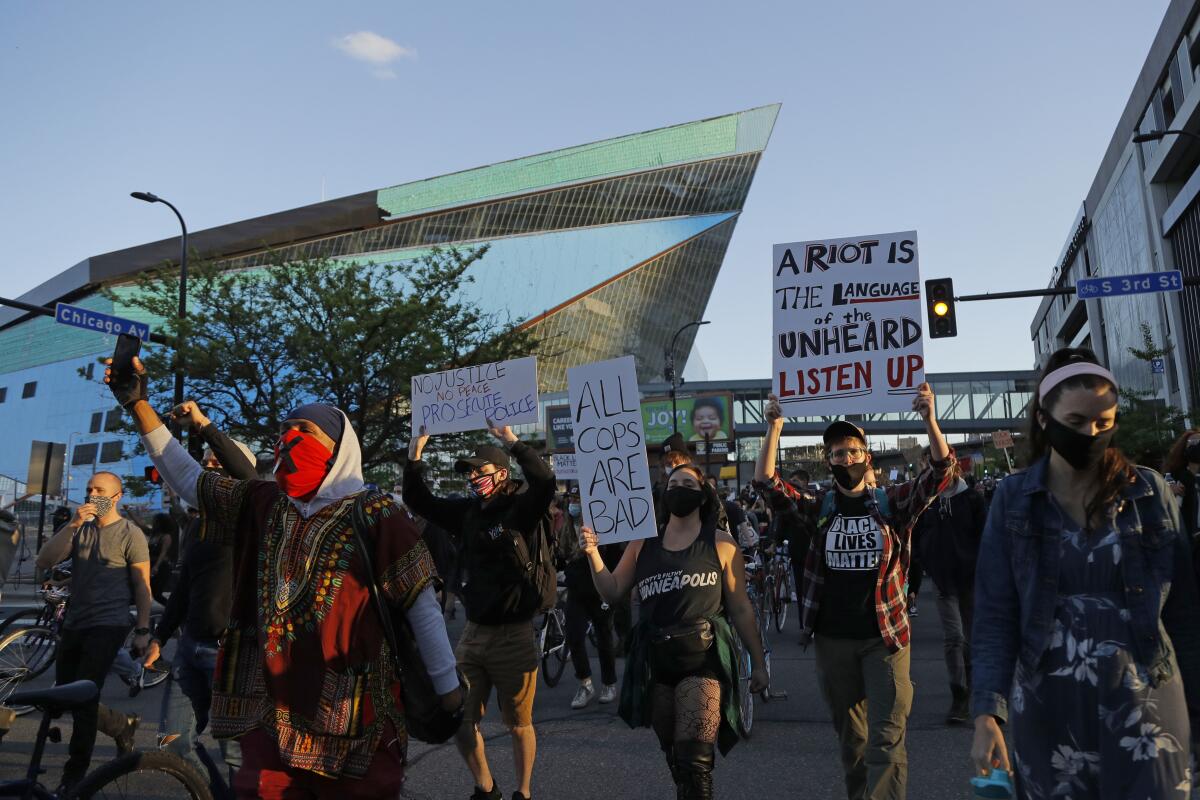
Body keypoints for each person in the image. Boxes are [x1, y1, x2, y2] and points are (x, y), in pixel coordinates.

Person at [107, 359, 462, 798]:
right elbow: (191, 479)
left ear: (336, 449)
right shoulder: (266, 502)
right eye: (285, 430)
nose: (288, 438)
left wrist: (448, 690)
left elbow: (420, 605)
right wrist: (139, 405)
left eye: (304, 431)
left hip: (356, 721)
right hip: (269, 715)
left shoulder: (378, 515)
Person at [971, 348, 1200, 797]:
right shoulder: (1014, 500)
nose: (1091, 434)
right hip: (1049, 708)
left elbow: (1185, 616)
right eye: (1075, 423)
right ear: (1044, 419)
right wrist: (986, 714)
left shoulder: (1150, 492)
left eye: (1103, 422)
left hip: (1149, 705)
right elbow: (995, 615)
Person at [754, 384, 954, 800]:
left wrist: (929, 419)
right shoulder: (819, 506)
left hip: (885, 638)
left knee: (887, 738)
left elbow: (939, 473)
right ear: (829, 461)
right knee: (853, 741)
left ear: (867, 456)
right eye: (837, 453)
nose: (846, 458)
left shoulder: (891, 503)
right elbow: (767, 484)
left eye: (852, 450)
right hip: (833, 640)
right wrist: (774, 429)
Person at [580, 462, 768, 799]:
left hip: (703, 659)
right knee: (676, 755)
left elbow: (740, 608)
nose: (679, 488)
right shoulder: (642, 543)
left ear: (702, 495)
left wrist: (758, 662)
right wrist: (593, 553)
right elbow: (611, 590)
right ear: (664, 495)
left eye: (688, 483)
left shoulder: (722, 544)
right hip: (655, 660)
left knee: (696, 760)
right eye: (673, 483)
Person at [404, 422, 556, 800]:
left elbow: (545, 483)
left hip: (514, 634)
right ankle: (485, 786)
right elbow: (421, 502)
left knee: (519, 723)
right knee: (460, 716)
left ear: (501, 474)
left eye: (479, 470)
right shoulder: (468, 513)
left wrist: (513, 443)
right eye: (469, 472)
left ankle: (523, 792)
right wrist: (415, 455)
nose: (473, 477)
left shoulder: (520, 509)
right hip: (473, 634)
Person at [144, 401, 258, 798]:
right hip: (189, 651)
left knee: (237, 756)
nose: (206, 468)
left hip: (231, 654)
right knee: (172, 744)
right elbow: (186, 585)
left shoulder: (251, 515)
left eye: (215, 462)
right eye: (204, 463)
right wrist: (161, 635)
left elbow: (249, 478)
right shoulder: (197, 525)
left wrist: (204, 426)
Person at [35, 471, 148, 793]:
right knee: (66, 696)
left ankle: (75, 777)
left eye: (99, 490)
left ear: (116, 497)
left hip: (109, 624)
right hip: (75, 622)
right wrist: (71, 525)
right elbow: (45, 560)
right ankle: (121, 725)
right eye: (88, 490)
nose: (92, 495)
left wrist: (143, 629)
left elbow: (142, 584)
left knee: (84, 697)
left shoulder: (130, 533)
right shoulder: (79, 528)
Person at [912, 446, 986, 725]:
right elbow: (914, 536)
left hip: (971, 578)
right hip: (943, 581)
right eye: (927, 464)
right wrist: (924, 564)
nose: (931, 469)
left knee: (971, 638)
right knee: (954, 637)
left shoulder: (972, 499)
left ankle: (975, 687)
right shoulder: (925, 501)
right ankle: (960, 694)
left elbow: (985, 536)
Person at [557, 488, 619, 709]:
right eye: (571, 500)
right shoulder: (566, 529)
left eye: (578, 500)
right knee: (574, 636)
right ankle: (585, 683)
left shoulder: (602, 526)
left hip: (599, 590)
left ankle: (609, 683)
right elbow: (562, 556)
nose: (573, 504)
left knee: (604, 637)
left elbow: (612, 557)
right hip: (576, 590)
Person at [1164, 429, 1200, 537]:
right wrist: (1168, 491)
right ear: (1184, 449)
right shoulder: (1174, 477)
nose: (1197, 446)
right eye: (1192, 443)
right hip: (1187, 536)